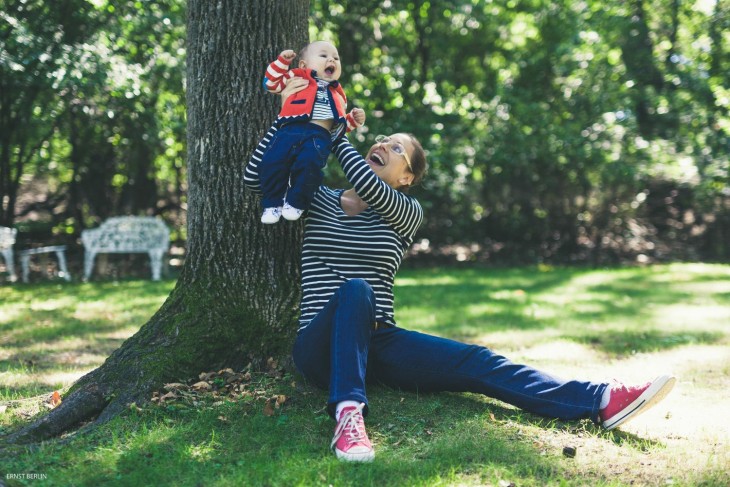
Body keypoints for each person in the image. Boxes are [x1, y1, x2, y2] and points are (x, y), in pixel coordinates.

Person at [243, 78, 677, 463]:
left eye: (397, 149)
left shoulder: (404, 211)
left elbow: (367, 181)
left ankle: (598, 399)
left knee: (477, 361)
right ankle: (348, 416)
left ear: (407, 178)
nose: (382, 145)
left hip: (379, 343)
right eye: (383, 139)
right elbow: (254, 177)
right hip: (318, 347)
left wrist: (333, 128)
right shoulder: (316, 200)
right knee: (355, 290)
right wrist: (290, 118)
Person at [254, 41, 366, 224]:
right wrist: (282, 62)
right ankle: (272, 204)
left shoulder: (338, 93)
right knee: (272, 162)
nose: (331, 59)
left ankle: (296, 202)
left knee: (309, 166)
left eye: (336, 58)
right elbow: (270, 84)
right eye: (323, 55)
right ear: (303, 65)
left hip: (318, 136)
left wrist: (353, 120)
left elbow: (338, 126)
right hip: (289, 130)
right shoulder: (298, 77)